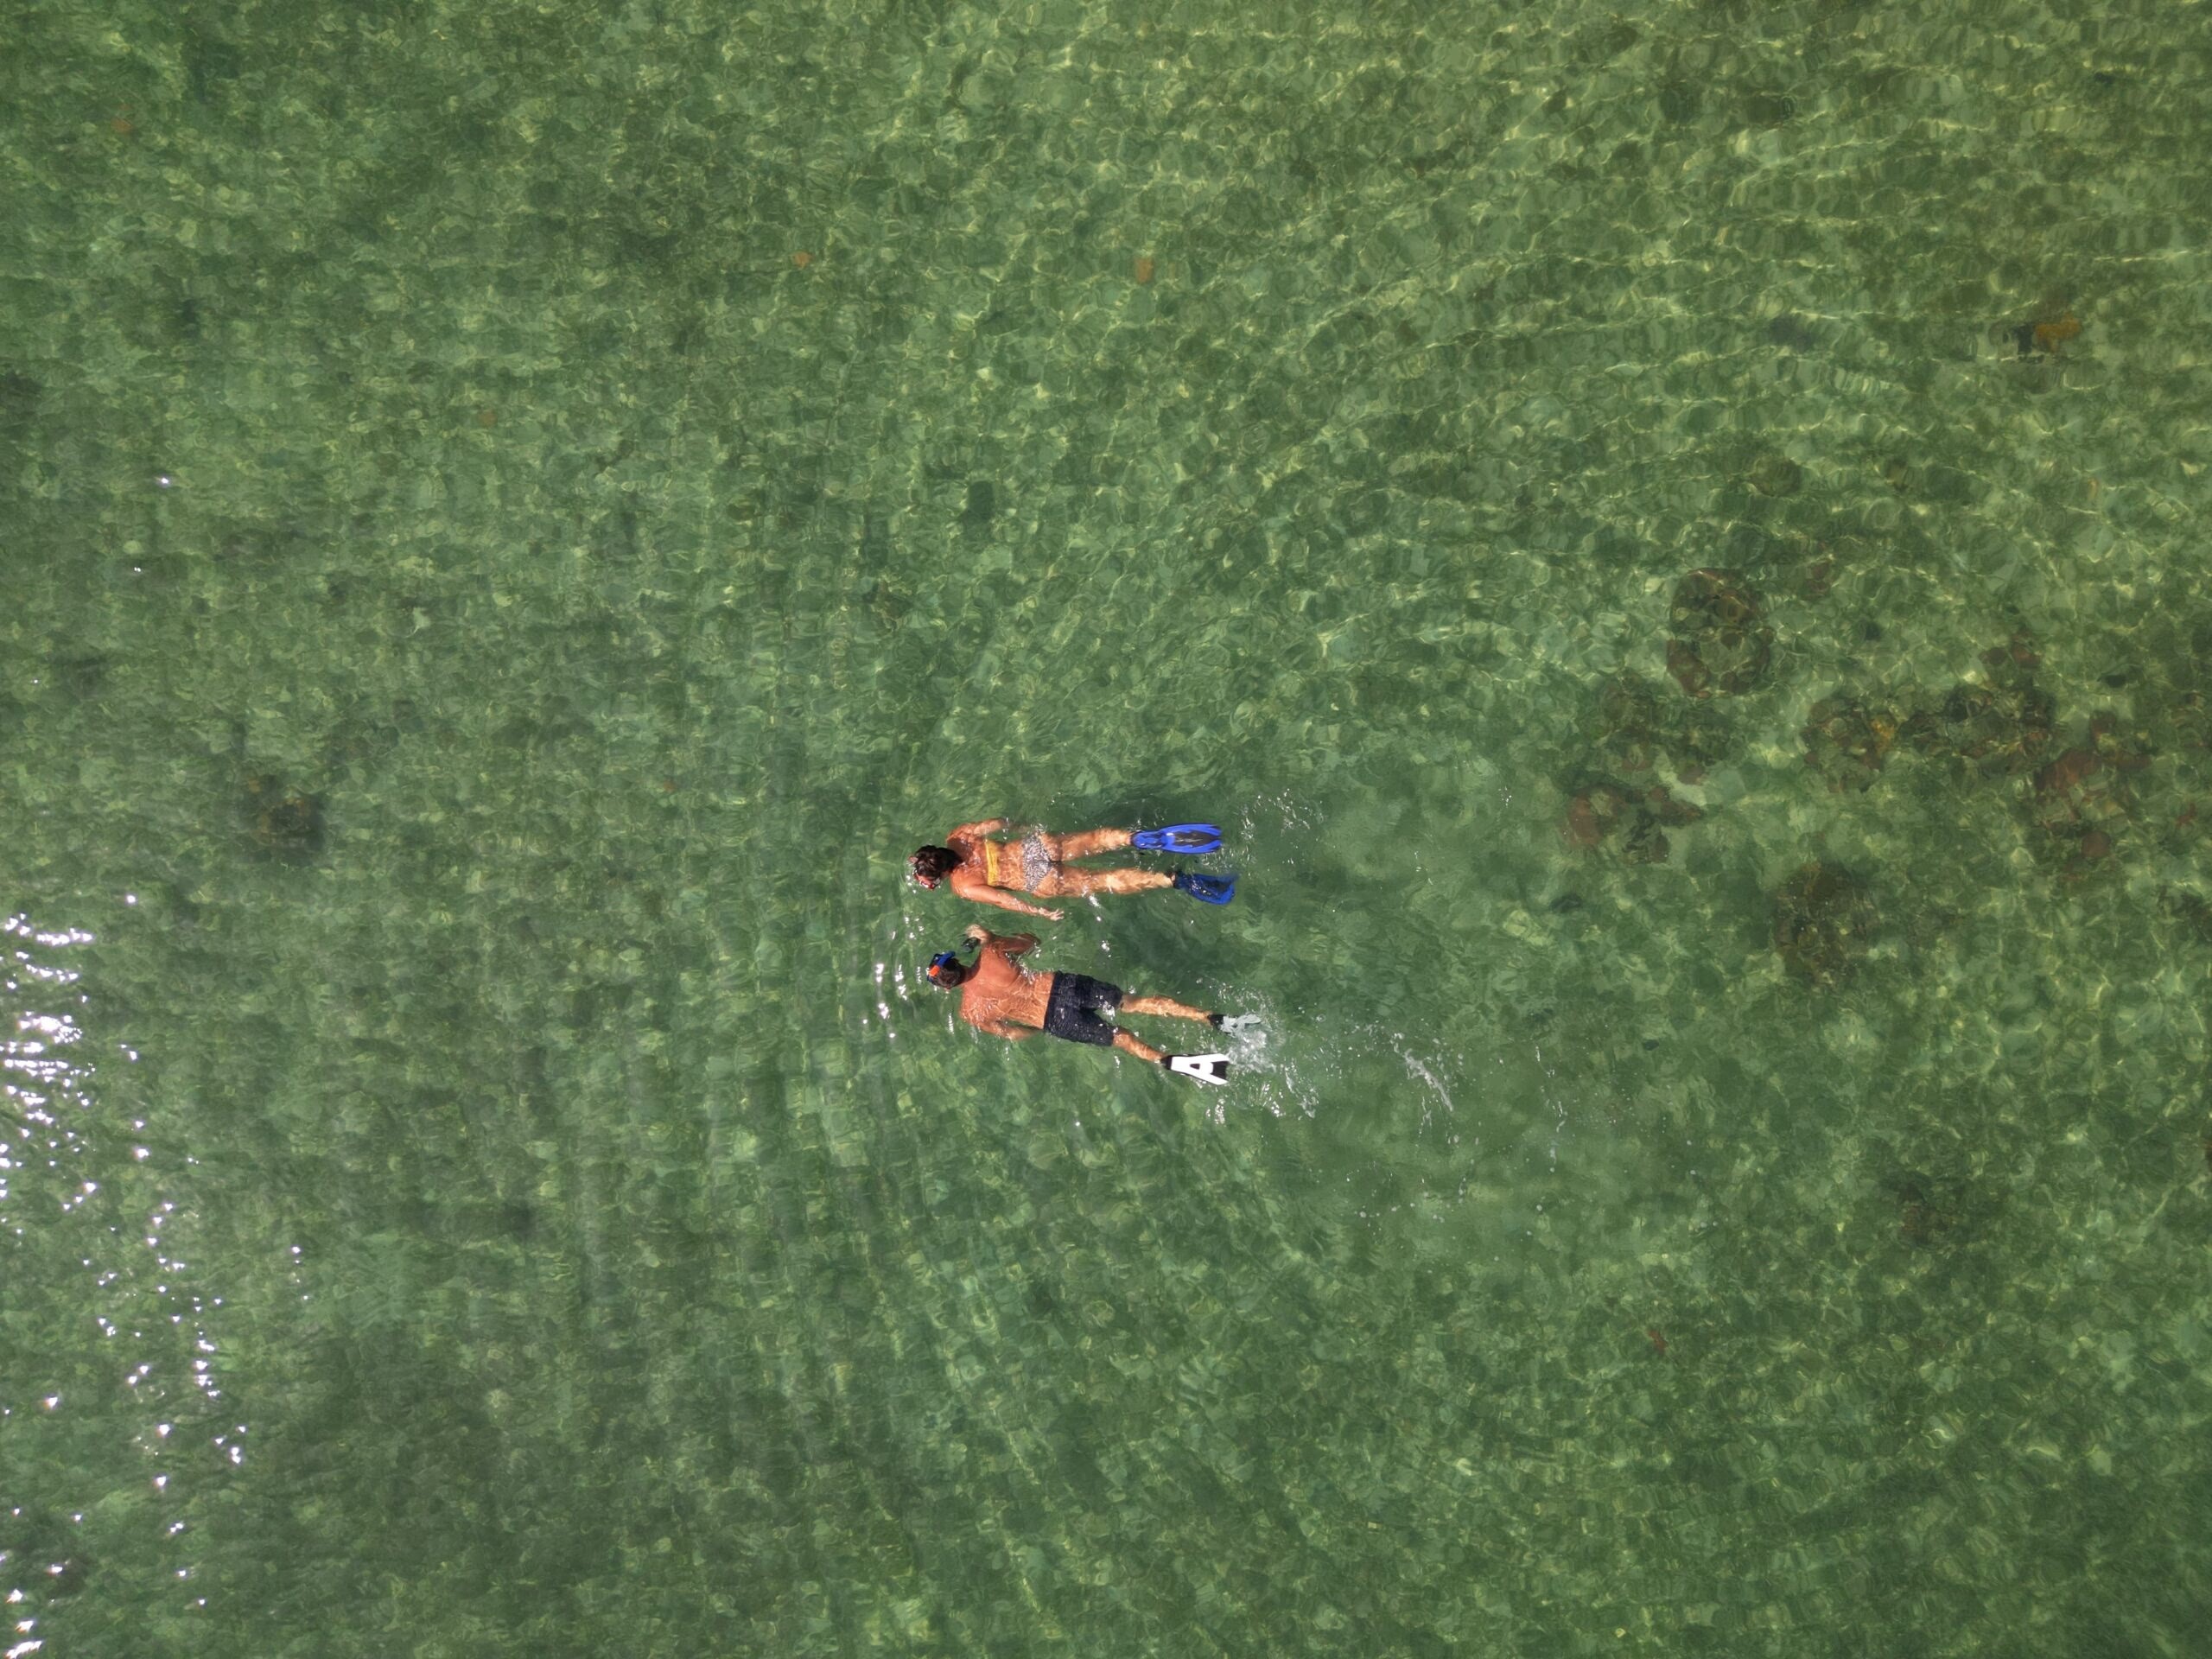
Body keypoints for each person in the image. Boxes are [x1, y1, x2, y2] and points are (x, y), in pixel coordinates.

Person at [925, 925, 1252, 1084]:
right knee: (1130, 1002)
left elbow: (1015, 1036)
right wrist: (992, 937)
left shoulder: (970, 1013)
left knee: (1120, 1037)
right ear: (957, 962)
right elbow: (1031, 941)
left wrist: (1035, 1026)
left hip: (1055, 1022)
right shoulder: (992, 953)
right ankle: (1209, 1017)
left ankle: (1166, 1060)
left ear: (947, 988)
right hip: (1063, 987)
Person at [908, 818, 1232, 921]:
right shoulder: (959, 836)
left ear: (938, 875)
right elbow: (997, 823)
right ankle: (1135, 838)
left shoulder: (963, 885)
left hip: (1036, 878)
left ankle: (1170, 878)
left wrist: (1039, 912)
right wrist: (1017, 823)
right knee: (1099, 839)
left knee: (1105, 880)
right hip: (1034, 848)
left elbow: (1004, 901)